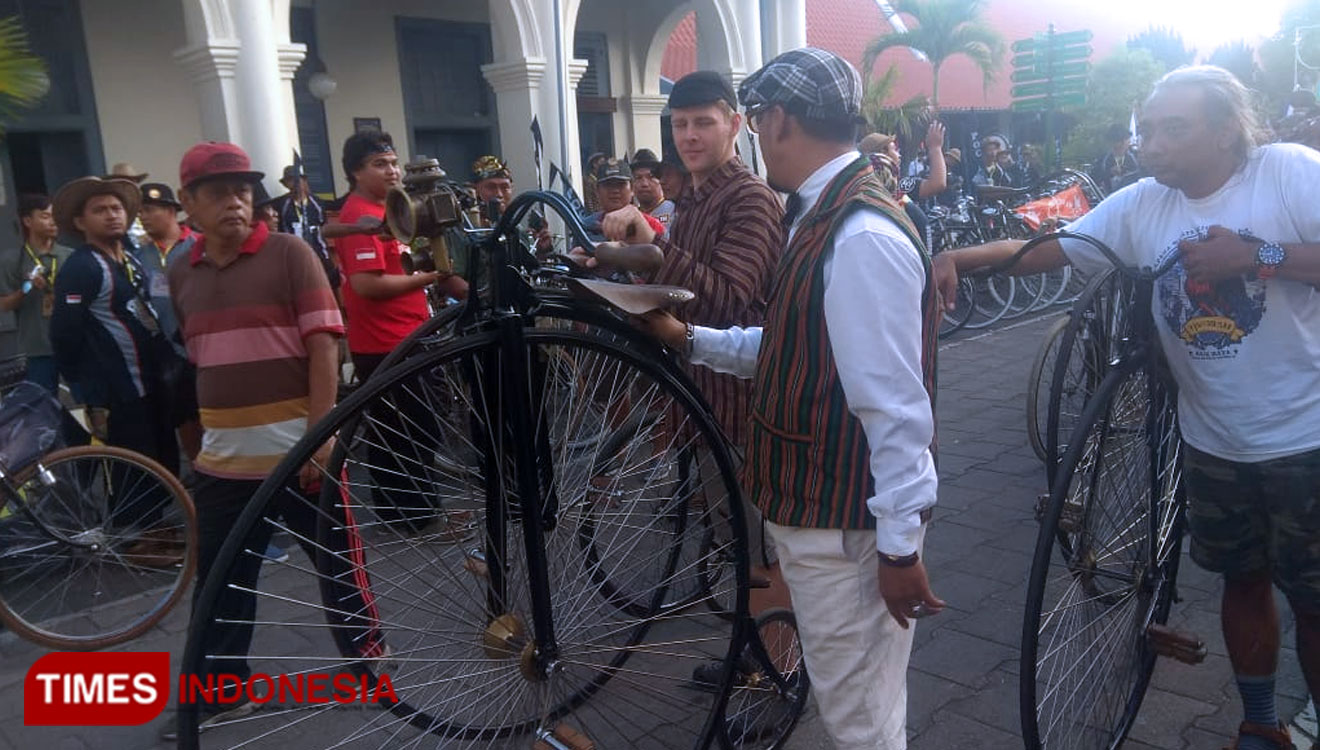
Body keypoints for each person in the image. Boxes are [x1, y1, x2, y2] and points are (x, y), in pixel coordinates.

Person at [936, 65, 1320, 750]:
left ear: (1228, 128)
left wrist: (1256, 256)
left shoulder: (1286, 173)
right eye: (1147, 130)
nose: (1152, 144)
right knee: (1243, 578)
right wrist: (956, 260)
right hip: (1214, 442)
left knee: (1315, 601)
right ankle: (1261, 723)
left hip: (1305, 438)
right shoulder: (1144, 204)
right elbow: (1050, 250)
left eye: (1174, 129)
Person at [637, 47, 941, 750]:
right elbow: (790, 346)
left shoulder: (858, 233)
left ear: (775, 120)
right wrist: (689, 339)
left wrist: (899, 549)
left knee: (859, 719)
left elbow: (897, 409)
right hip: (824, 509)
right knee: (857, 706)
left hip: (841, 520)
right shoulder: (824, 214)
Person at [161, 141, 383, 736]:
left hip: (300, 456)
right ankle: (222, 694)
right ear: (190, 204)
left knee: (340, 568)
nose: (235, 202)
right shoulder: (180, 268)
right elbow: (198, 359)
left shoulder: (290, 254)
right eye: (217, 193)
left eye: (242, 190)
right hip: (224, 463)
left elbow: (323, 347)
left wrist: (320, 436)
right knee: (221, 586)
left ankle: (374, 672)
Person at [589, 70, 784, 609]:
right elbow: (679, 284)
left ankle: (775, 665)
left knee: (759, 547)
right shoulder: (692, 200)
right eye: (680, 125)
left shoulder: (751, 200)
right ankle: (756, 649)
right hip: (700, 394)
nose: (690, 136)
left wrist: (652, 243)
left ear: (735, 125)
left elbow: (725, 298)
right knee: (730, 534)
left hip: (739, 401)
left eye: (704, 122)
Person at [334, 130, 466, 533]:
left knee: (417, 427)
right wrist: (432, 275)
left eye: (393, 162)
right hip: (385, 343)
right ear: (355, 172)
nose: (391, 170)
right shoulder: (359, 218)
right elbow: (367, 285)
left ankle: (415, 511)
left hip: (409, 334)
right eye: (379, 164)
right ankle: (413, 518)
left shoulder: (396, 211)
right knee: (404, 433)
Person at [135, 182, 202, 460]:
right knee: (182, 414)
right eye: (141, 212)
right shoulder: (140, 256)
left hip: (200, 343)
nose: (144, 217)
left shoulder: (198, 245)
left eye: (150, 210)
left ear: (171, 211)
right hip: (167, 349)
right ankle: (199, 470)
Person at [0, 194, 72, 393]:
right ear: (27, 221)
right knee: (43, 405)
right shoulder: (12, 260)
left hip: (73, 343)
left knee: (92, 402)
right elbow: (4, 304)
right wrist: (27, 288)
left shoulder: (70, 256)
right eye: (45, 216)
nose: (52, 221)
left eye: (54, 216)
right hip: (37, 347)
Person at [270, 165, 334, 289]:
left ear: (304, 181)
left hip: (319, 254)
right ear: (285, 184)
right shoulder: (280, 204)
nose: (295, 184)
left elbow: (324, 227)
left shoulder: (317, 203)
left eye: (297, 180)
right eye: (290, 180)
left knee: (329, 286)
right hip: (292, 257)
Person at [587, 157, 665, 240]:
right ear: (597, 191)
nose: (615, 190)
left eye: (620, 184)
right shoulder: (586, 227)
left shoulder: (651, 225)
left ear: (632, 189)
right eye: (608, 185)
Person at [630, 148, 675, 233]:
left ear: (660, 179)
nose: (644, 184)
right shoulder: (631, 216)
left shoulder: (674, 211)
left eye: (651, 177)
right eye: (638, 178)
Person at [1093, 122, 1140, 194]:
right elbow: (1094, 179)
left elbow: (1145, 175)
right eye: (1118, 141)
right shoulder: (1103, 160)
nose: (1123, 144)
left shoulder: (1137, 156)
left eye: (1126, 139)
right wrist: (1109, 173)